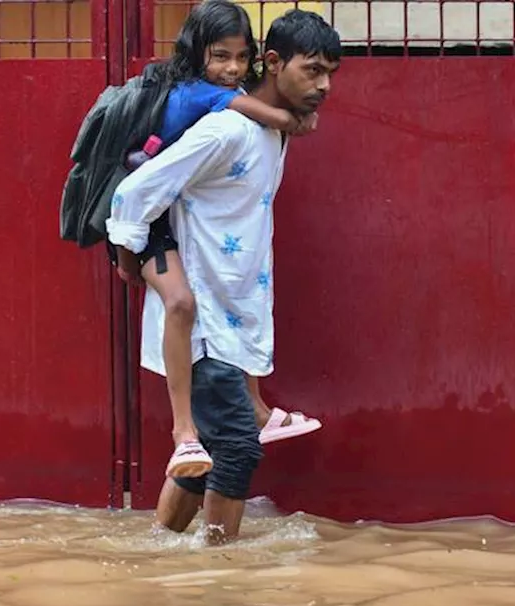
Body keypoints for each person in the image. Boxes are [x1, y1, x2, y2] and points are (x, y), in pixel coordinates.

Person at [107, 9, 342, 544]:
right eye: (312, 71)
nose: (324, 85)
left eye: (330, 72)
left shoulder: (269, 132)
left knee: (210, 455)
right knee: (237, 446)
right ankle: (221, 575)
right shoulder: (226, 130)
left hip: (234, 325)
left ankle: (160, 552)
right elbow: (134, 194)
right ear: (275, 63)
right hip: (205, 325)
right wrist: (131, 263)